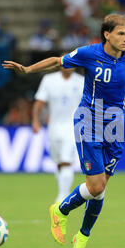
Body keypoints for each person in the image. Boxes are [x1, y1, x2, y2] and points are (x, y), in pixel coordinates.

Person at [2, 13, 125, 248]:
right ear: (106, 34)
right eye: (121, 33)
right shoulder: (89, 53)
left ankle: (82, 238)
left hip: (115, 126)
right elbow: (58, 61)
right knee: (96, 185)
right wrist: (28, 69)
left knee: (100, 189)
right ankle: (60, 210)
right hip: (89, 121)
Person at [32, 67, 84, 204]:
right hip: (53, 128)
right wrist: (35, 120)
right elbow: (39, 102)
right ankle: (62, 192)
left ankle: (63, 196)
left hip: (73, 127)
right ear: (60, 65)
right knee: (59, 162)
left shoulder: (82, 81)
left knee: (66, 161)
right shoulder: (49, 80)